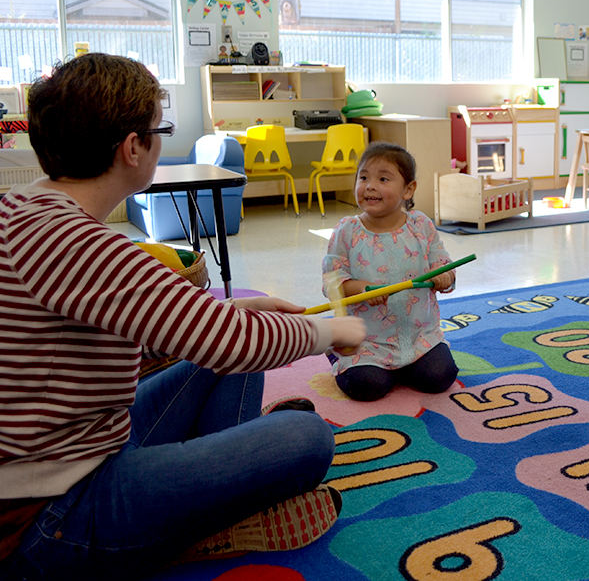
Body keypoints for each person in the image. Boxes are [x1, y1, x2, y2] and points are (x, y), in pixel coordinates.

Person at [0, 54, 365, 581]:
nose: (161, 140)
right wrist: (331, 330)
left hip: (80, 449)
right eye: (160, 129)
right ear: (132, 148)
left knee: (221, 359)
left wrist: (224, 310)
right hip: (50, 514)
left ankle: (209, 484)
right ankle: (203, 523)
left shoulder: (26, 210)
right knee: (306, 438)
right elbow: (233, 343)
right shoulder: (81, 243)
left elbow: (104, 339)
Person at [322, 142, 458, 402]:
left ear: (408, 189)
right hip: (367, 341)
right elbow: (333, 281)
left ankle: (404, 367)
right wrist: (361, 289)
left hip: (420, 337)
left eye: (383, 178)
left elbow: (444, 264)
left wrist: (443, 276)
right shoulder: (347, 231)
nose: (370, 185)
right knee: (367, 387)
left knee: (441, 377)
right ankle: (336, 354)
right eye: (363, 177)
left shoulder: (421, 225)